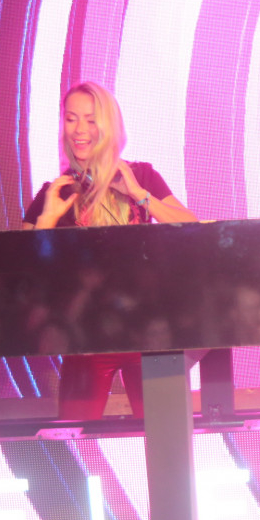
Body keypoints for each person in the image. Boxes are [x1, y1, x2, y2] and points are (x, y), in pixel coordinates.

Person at [23, 81, 197, 419]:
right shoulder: (54, 193)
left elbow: (191, 228)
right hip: (86, 339)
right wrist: (47, 219)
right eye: (71, 118)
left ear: (110, 125)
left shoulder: (141, 175)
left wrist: (138, 194)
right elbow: (19, 273)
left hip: (149, 337)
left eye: (90, 120)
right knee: (73, 432)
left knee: (167, 433)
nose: (79, 130)